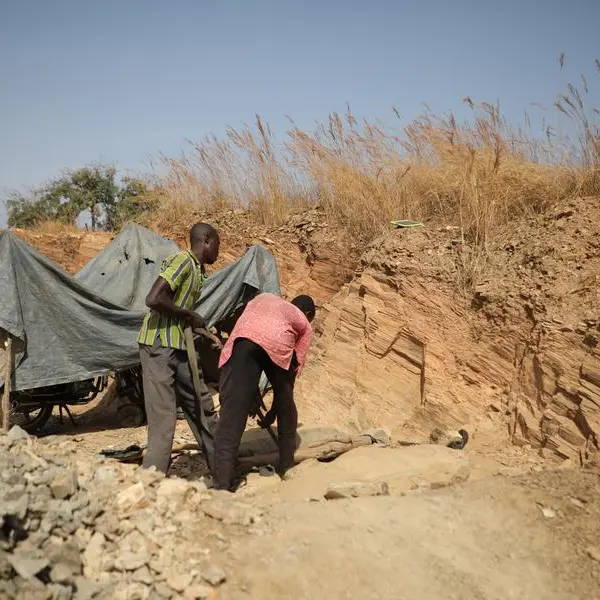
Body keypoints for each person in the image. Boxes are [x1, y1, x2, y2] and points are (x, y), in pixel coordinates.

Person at [138, 222, 220, 474]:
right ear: (206, 239)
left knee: (201, 405)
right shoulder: (183, 261)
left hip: (181, 346)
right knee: (164, 417)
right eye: (217, 243)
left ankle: (223, 467)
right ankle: (151, 482)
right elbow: (153, 299)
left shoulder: (198, 270)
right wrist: (189, 315)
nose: (218, 249)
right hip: (158, 345)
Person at [213, 292, 316, 491]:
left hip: (243, 341)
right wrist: (276, 410)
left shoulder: (265, 298)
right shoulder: (302, 320)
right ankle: (286, 467)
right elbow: (289, 377)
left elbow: (250, 339)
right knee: (288, 410)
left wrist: (249, 393)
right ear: (308, 313)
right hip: (277, 345)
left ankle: (221, 486)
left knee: (231, 419)